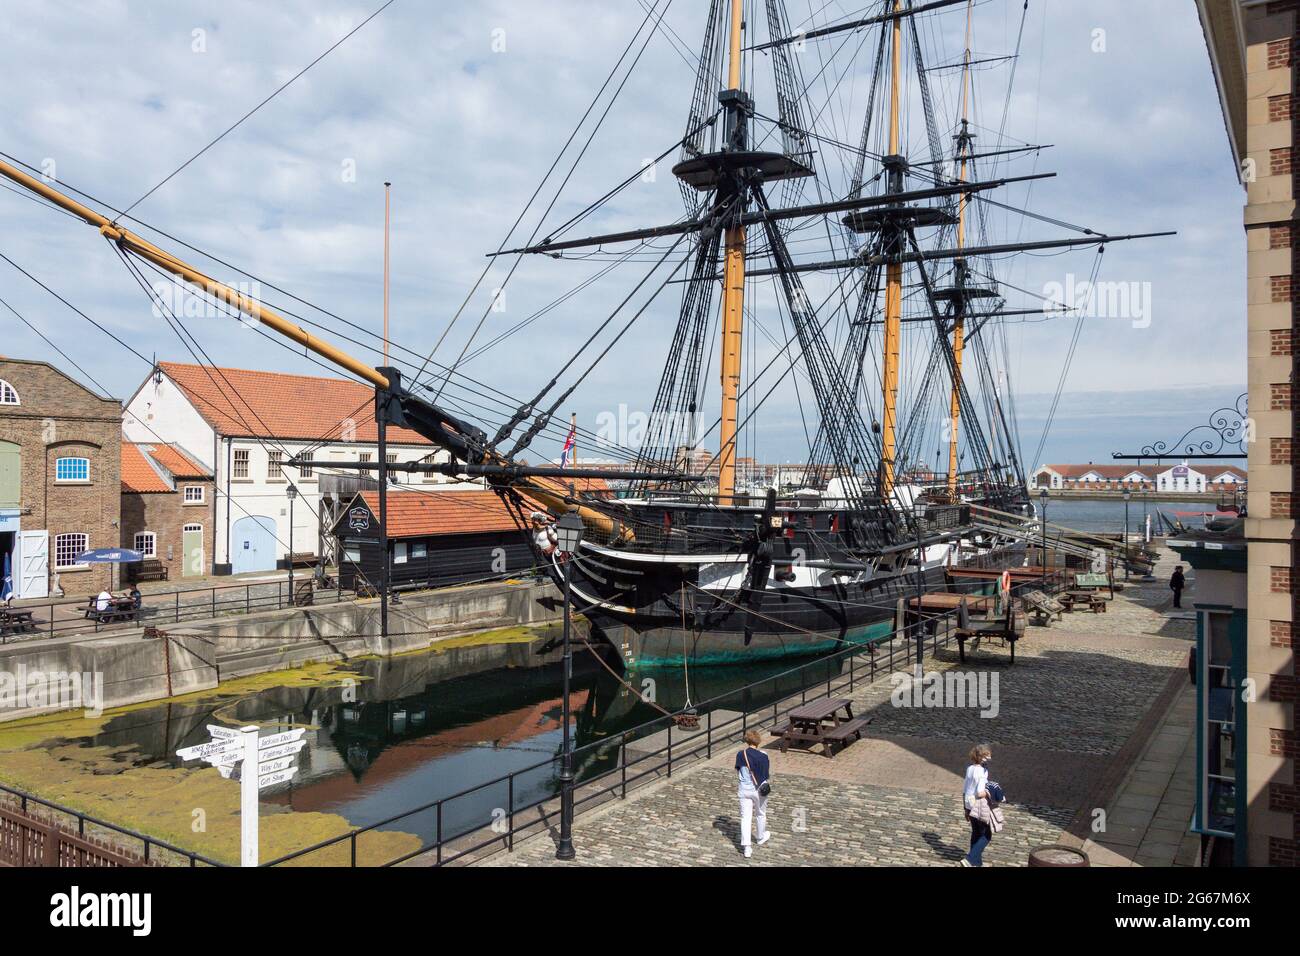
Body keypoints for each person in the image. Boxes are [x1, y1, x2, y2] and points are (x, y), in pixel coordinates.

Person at [735, 729, 770, 859]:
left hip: (744, 789)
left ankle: (747, 848)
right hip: (759, 790)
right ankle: (760, 837)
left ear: (747, 740)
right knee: (760, 813)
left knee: (745, 818)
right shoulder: (764, 755)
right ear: (758, 741)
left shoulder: (740, 754)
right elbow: (766, 775)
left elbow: (738, 771)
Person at [961, 743, 993, 867]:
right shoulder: (982, 771)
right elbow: (980, 792)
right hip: (978, 805)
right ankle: (970, 859)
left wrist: (965, 808)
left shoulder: (969, 768)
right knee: (986, 835)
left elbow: (965, 789)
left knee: (976, 833)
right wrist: (991, 792)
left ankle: (977, 863)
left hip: (969, 804)